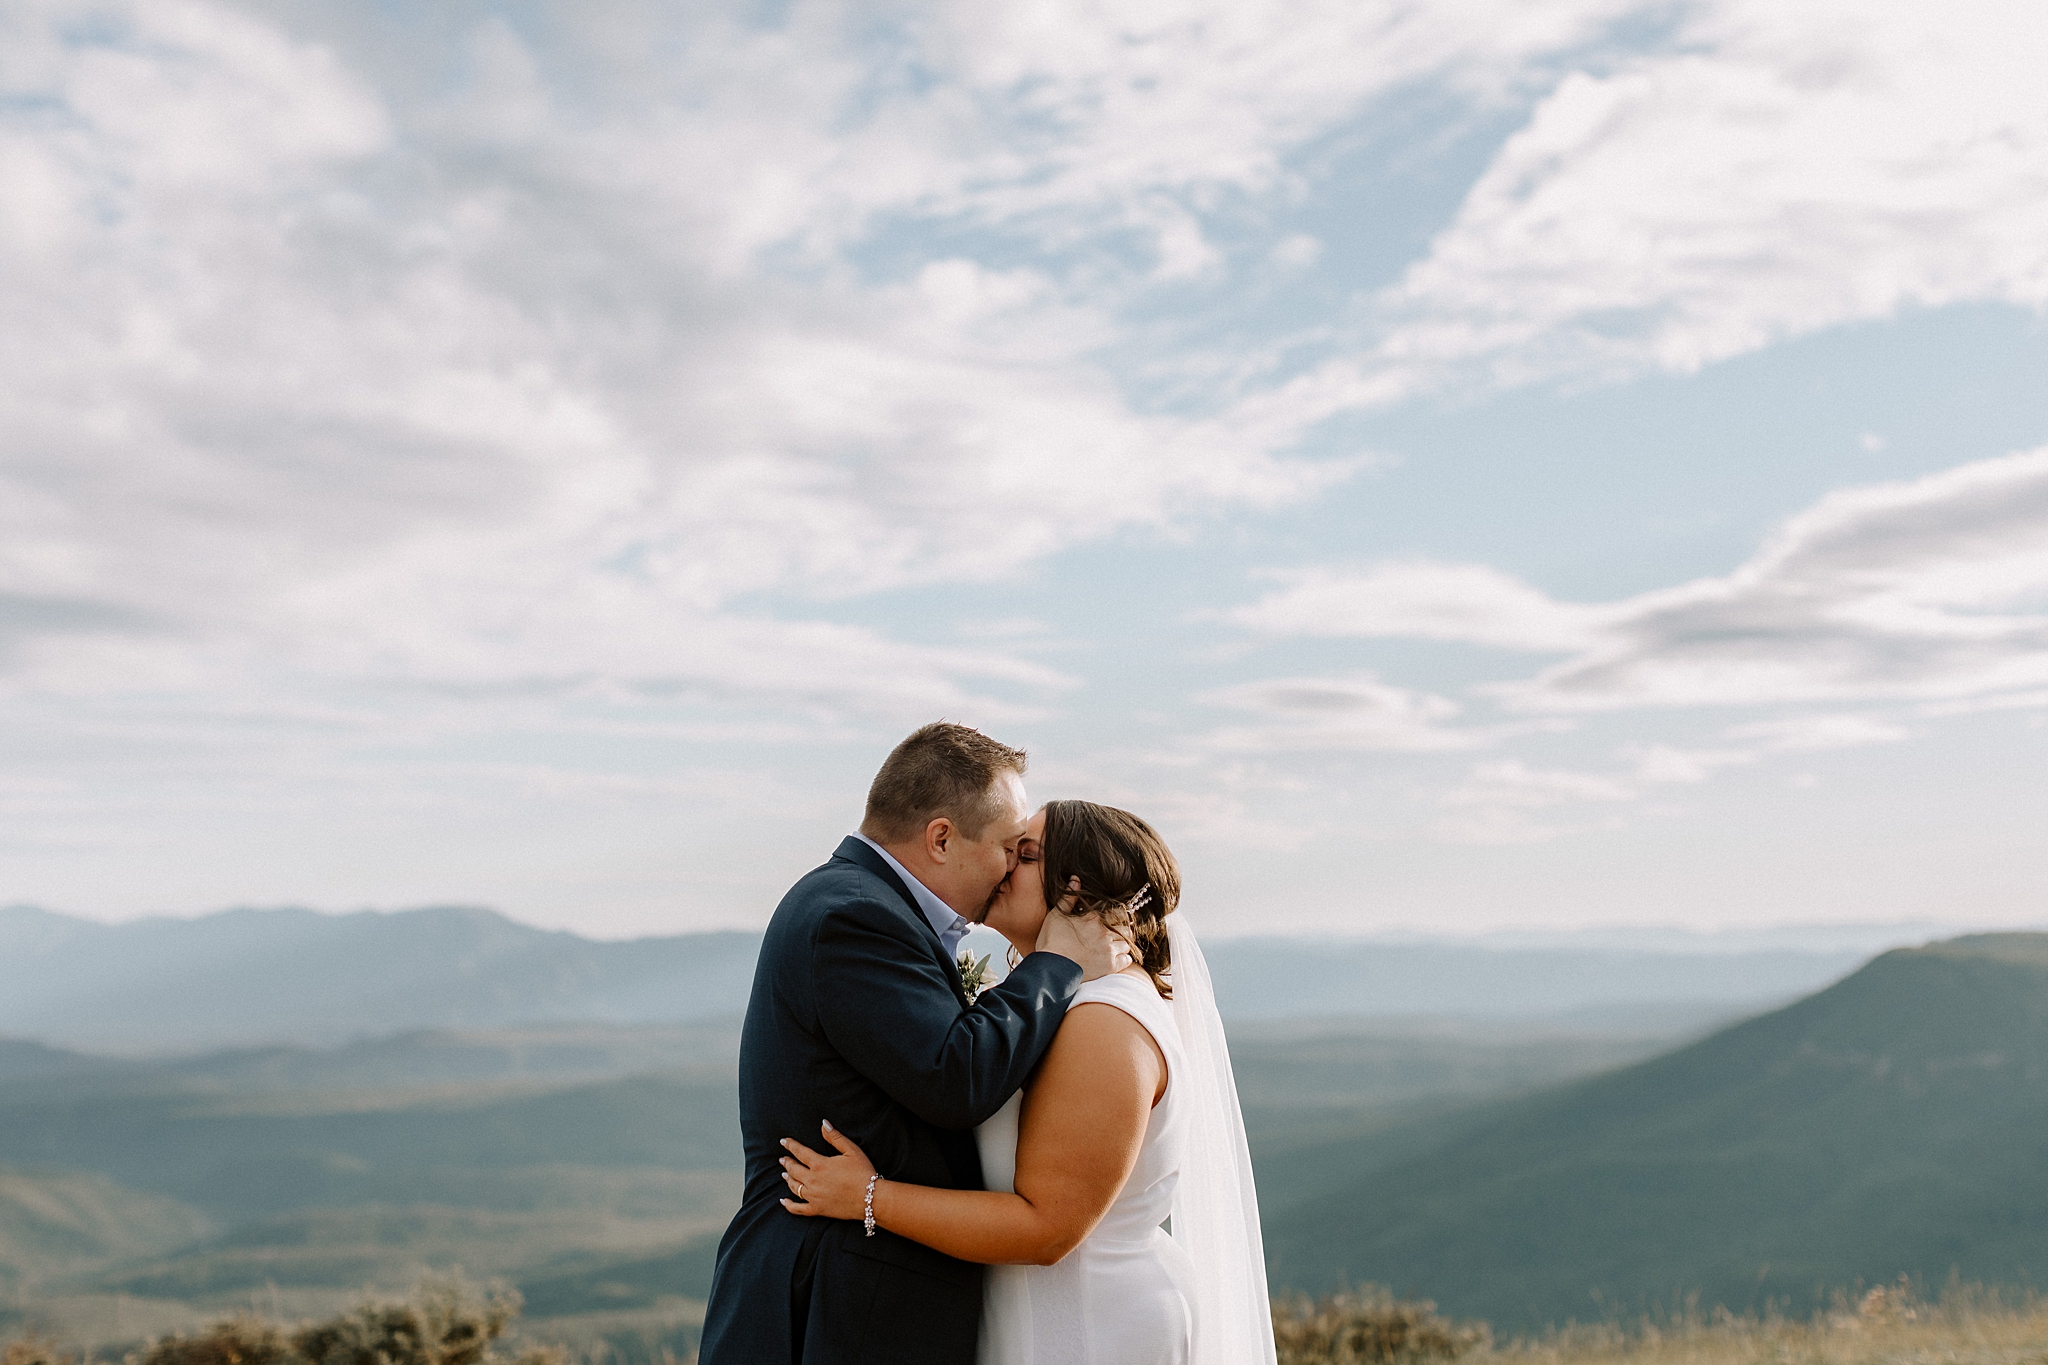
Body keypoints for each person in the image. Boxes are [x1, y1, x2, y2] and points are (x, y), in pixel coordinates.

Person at [777, 800, 1276, 1365]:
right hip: (1038, 1315)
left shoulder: (1105, 1023)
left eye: (1026, 855)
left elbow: (1046, 1228)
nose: (1002, 866)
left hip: (1090, 1326)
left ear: (1076, 892)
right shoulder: (1061, 1001)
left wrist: (869, 1198)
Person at [698, 724, 1133, 1365]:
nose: (1011, 867)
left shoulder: (859, 902)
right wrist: (1057, 965)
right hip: (833, 1308)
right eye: (1009, 848)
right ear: (940, 838)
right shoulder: (854, 916)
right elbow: (953, 1077)